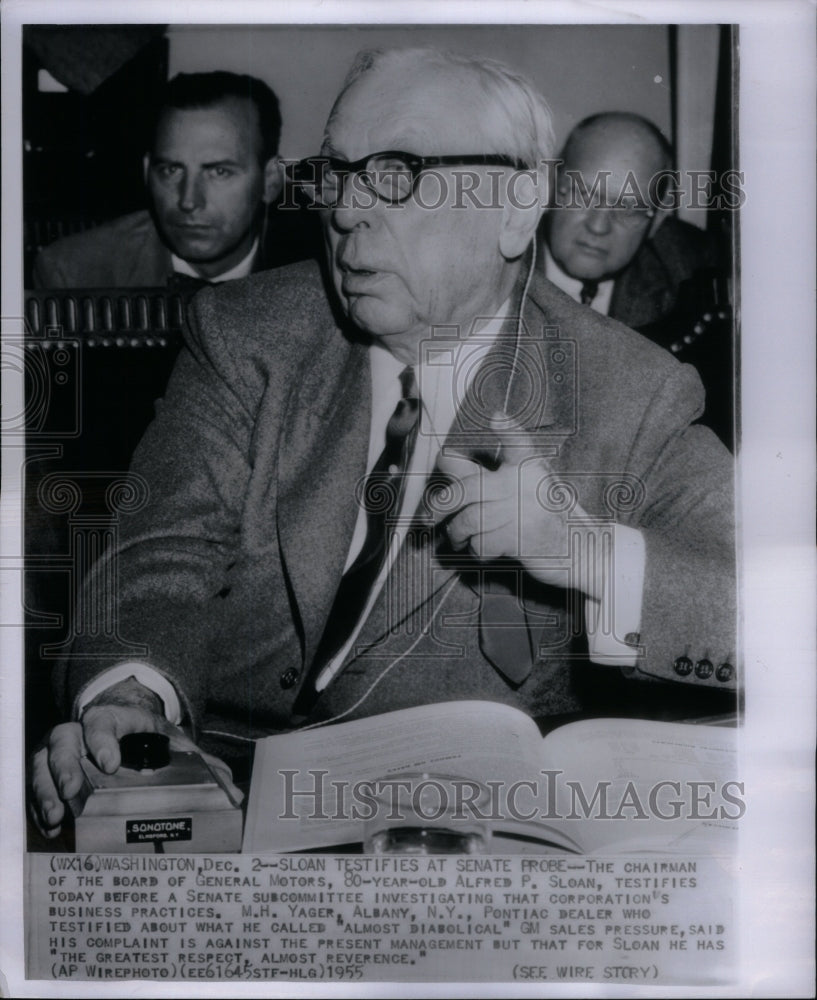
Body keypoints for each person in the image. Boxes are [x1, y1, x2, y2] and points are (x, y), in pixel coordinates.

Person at [30, 48, 736, 839]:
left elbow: (768, 606)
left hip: (459, 833)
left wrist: (590, 554)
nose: (346, 212)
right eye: (335, 175)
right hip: (224, 779)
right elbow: (160, 555)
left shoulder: (629, 388)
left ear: (516, 205)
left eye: (396, 172)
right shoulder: (247, 333)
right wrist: (132, 698)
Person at [542, 112, 732, 446]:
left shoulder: (691, 264)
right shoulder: (489, 264)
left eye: (628, 209)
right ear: (551, 184)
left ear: (656, 220)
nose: (598, 227)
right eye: (583, 194)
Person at [31, 71, 318, 289]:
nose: (188, 200)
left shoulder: (321, 278)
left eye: (219, 172)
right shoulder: (72, 274)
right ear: (147, 172)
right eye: (171, 170)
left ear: (270, 181)